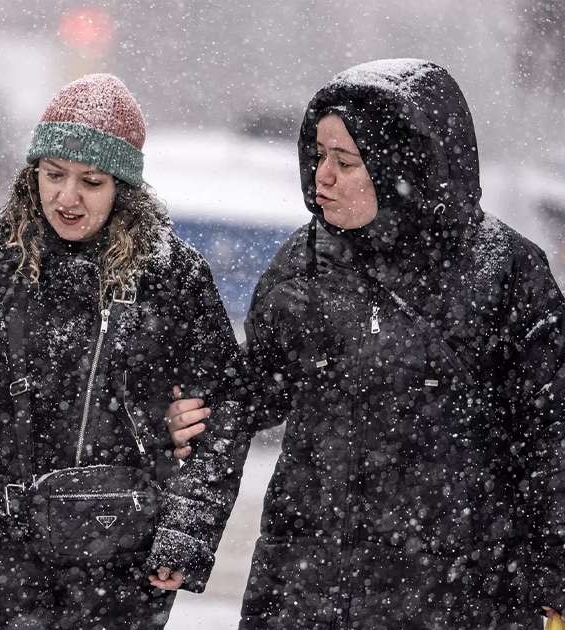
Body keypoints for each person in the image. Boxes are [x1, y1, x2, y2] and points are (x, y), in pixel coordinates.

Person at [166, 58, 565, 629]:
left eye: (345, 162)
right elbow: (244, 396)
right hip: (305, 591)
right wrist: (187, 520)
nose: (320, 177)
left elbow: (551, 436)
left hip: (458, 596)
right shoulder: (303, 265)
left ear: (406, 167)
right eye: (319, 156)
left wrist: (555, 575)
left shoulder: (503, 273)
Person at [0, 73, 245, 629]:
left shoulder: (173, 276)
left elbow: (224, 410)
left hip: (124, 555)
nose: (67, 198)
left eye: (90, 181)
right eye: (53, 175)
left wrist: (186, 530)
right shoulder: (2, 257)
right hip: (9, 548)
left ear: (123, 189)